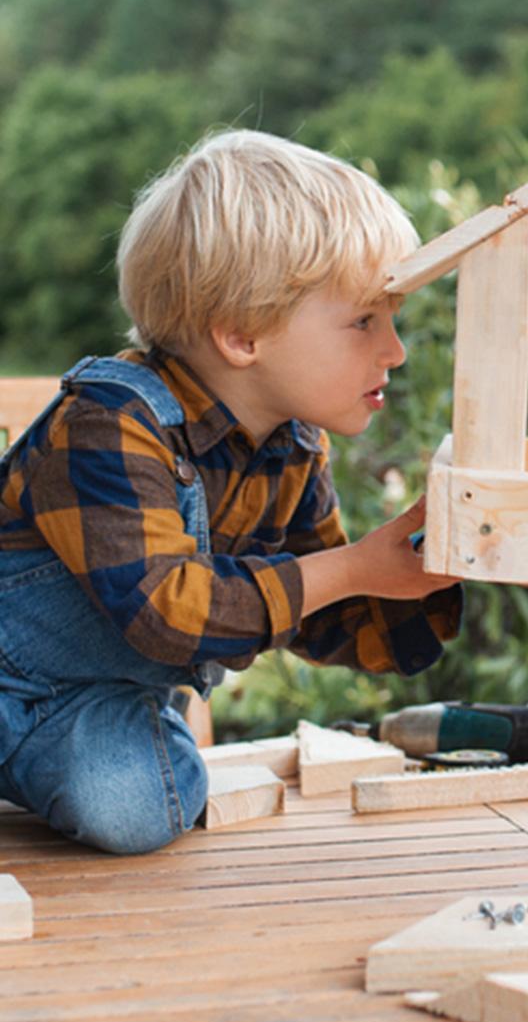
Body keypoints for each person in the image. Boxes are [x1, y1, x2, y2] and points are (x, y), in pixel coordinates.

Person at [0, 129, 460, 856]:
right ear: (243, 335)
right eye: (365, 320)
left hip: (86, 705)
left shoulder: (295, 448)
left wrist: (448, 559)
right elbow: (168, 612)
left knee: (143, 807)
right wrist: (353, 568)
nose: (394, 350)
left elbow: (325, 620)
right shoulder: (109, 425)